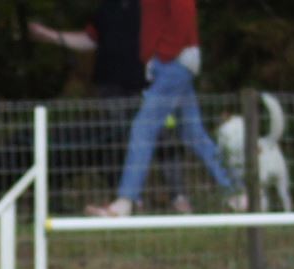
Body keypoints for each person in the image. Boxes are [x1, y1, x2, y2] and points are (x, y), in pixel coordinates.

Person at [79, 0, 245, 217]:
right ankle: (237, 193)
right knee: (193, 133)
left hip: (173, 62)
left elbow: (184, 11)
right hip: (172, 62)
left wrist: (164, 54)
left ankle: (125, 201)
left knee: (142, 128)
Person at [28, 0, 192, 212]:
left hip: (149, 86)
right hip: (111, 88)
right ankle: (128, 200)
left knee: (165, 139)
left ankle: (178, 196)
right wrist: (52, 36)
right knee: (115, 142)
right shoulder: (106, 9)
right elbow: (90, 40)